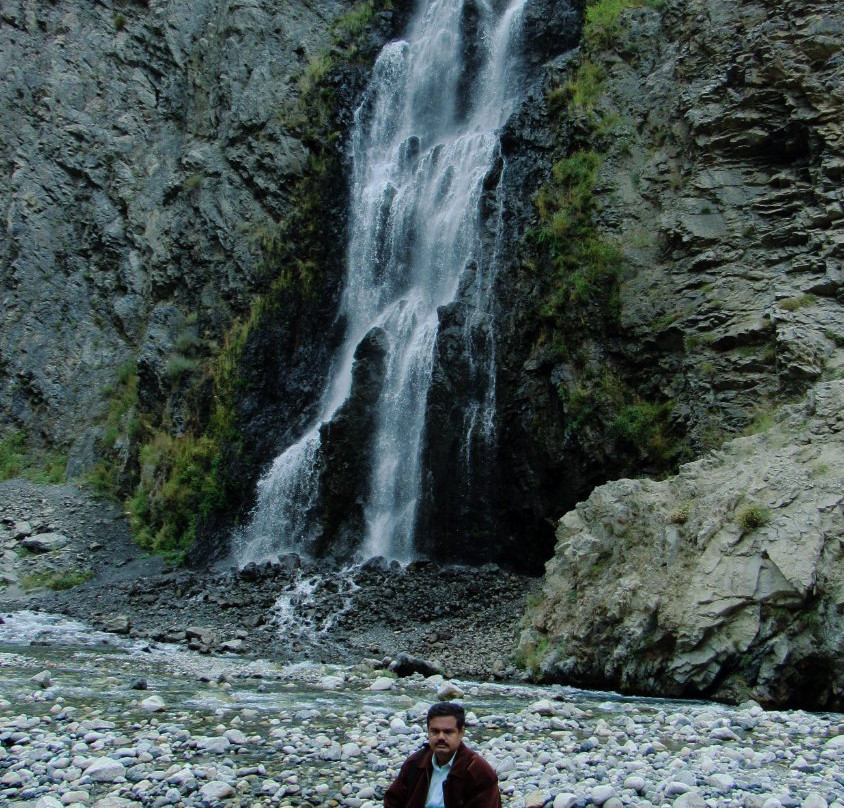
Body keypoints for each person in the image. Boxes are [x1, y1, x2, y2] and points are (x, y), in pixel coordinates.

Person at [383, 702, 501, 808]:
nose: (441, 737)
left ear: (461, 732)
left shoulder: (478, 772)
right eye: (435, 731)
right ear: (428, 731)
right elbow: (392, 801)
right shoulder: (415, 764)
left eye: (448, 732)